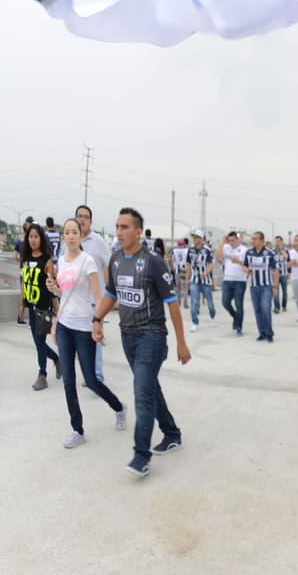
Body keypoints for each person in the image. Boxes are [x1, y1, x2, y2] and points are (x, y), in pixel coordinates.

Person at [93, 207, 190, 478]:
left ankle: (141, 455)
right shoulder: (114, 259)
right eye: (117, 226)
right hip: (127, 336)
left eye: (125, 227)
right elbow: (111, 293)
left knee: (142, 393)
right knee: (149, 387)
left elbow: (172, 304)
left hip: (152, 335)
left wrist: (181, 343)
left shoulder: (153, 262)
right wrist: (97, 318)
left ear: (138, 231)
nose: (120, 232)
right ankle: (171, 433)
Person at [54, 217, 128, 446]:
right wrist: (54, 291)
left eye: (74, 231)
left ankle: (119, 407)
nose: (71, 236)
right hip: (65, 325)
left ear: (80, 235)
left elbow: (98, 297)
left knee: (91, 379)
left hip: (84, 327)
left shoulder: (88, 262)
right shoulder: (61, 261)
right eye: (67, 232)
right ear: (63, 236)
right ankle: (78, 430)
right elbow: (63, 295)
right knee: (68, 380)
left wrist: (98, 322)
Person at [19, 224, 61, 391]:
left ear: (41, 239)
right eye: (30, 236)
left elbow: (52, 285)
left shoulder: (47, 261)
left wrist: (55, 305)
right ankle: (57, 359)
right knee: (38, 342)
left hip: (43, 308)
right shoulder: (25, 259)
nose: (33, 240)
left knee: (40, 341)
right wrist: (21, 304)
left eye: (36, 236)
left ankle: (42, 374)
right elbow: (23, 283)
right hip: (31, 306)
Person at [75, 205, 112, 385]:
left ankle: (97, 377)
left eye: (86, 217)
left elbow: (109, 266)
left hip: (94, 300)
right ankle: (88, 375)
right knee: (80, 341)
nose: (82, 219)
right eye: (79, 216)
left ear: (91, 221)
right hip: (75, 301)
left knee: (94, 340)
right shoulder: (70, 240)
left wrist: (110, 295)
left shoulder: (98, 241)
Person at [245, 231, 278, 342]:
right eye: (252, 238)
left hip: (266, 286)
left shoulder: (269, 253)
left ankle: (269, 333)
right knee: (257, 310)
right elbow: (245, 267)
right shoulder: (249, 252)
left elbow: (275, 270)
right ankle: (262, 333)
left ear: (262, 241)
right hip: (254, 286)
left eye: (255, 238)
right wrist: (247, 270)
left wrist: (275, 286)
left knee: (265, 307)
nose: (252, 240)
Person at [186, 230, 215, 331]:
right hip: (194, 280)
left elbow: (211, 265)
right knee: (194, 302)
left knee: (210, 302)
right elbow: (188, 265)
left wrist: (206, 273)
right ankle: (195, 323)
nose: (195, 239)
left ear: (202, 239)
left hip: (205, 281)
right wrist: (187, 279)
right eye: (194, 237)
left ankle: (212, 316)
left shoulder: (207, 251)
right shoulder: (190, 251)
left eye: (197, 237)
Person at [221, 231, 249, 335]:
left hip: (240, 280)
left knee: (238, 304)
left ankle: (239, 327)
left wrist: (239, 262)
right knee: (225, 302)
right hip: (227, 279)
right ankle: (236, 317)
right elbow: (217, 256)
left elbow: (248, 265)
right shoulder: (226, 247)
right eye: (230, 240)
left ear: (238, 239)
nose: (231, 242)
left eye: (233, 240)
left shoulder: (244, 250)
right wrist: (222, 242)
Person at [272, 235, 290, 314]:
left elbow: (287, 258)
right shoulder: (272, 251)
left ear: (282, 242)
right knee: (275, 291)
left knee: (284, 291)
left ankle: (284, 306)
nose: (277, 243)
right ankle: (276, 307)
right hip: (275, 274)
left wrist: (281, 250)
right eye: (276, 241)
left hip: (284, 273)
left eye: (279, 241)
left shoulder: (286, 250)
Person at [171, 237, 190, 309]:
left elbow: (170, 259)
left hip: (177, 270)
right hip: (184, 270)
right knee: (185, 288)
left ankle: (178, 303)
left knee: (177, 288)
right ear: (184, 244)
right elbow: (189, 262)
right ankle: (185, 304)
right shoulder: (187, 250)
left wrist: (172, 267)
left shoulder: (174, 250)